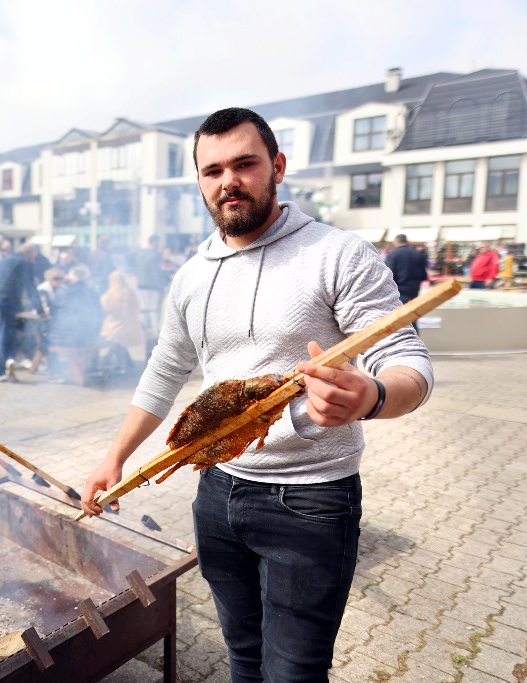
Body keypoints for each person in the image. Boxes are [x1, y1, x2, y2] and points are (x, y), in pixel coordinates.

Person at [81, 107, 433, 682]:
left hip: (311, 502)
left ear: (278, 167)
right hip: (217, 493)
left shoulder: (338, 253)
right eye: (212, 170)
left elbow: (408, 365)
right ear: (198, 181)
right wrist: (112, 458)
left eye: (245, 164)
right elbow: (164, 370)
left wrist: (369, 395)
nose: (229, 181)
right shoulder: (192, 275)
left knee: (293, 671)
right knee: (242, 657)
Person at [0, 243, 45, 382]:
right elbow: (31, 287)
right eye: (35, 256)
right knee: (5, 336)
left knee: (8, 333)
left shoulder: (7, 259)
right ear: (31, 253)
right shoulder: (25, 262)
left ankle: (10, 360)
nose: (35, 259)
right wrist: (40, 310)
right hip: (4, 301)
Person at [47, 265, 104, 384]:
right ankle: (81, 371)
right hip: (86, 338)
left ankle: (54, 373)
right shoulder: (92, 293)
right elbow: (99, 315)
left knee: (43, 342)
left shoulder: (62, 291)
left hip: (61, 338)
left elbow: (53, 312)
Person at [99, 270, 145, 375]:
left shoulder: (111, 293)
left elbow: (105, 308)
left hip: (115, 326)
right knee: (117, 341)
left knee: (112, 339)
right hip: (132, 326)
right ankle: (122, 363)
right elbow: (138, 307)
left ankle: (117, 364)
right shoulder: (131, 292)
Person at [384, 234, 429, 332]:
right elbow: (424, 275)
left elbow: (389, 275)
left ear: (396, 242)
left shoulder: (393, 255)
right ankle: (415, 340)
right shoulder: (418, 254)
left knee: (399, 319)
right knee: (412, 317)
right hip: (414, 290)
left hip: (399, 290)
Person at [135, 234, 166, 353]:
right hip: (152, 286)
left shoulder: (140, 254)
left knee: (144, 308)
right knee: (153, 309)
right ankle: (154, 331)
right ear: (154, 242)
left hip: (141, 284)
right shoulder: (155, 255)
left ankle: (141, 328)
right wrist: (160, 287)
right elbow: (156, 273)